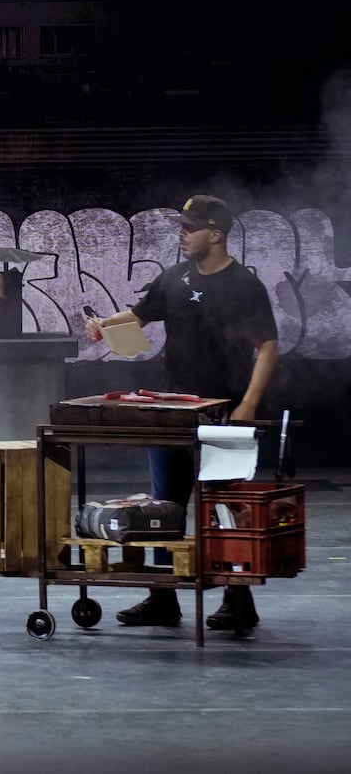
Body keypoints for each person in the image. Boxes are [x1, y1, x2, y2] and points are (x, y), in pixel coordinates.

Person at [86, 195, 278, 634]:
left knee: (226, 510)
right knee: (164, 510)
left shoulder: (244, 286)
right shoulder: (173, 278)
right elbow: (136, 316)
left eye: (191, 227)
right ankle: (162, 596)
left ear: (216, 234)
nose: (182, 233)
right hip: (171, 413)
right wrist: (104, 326)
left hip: (225, 412)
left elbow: (267, 346)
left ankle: (238, 599)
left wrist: (247, 405)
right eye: (181, 226)